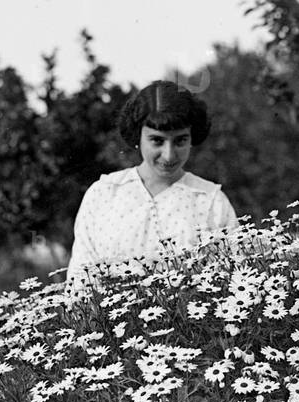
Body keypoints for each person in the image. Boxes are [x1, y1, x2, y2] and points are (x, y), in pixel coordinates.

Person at [66, 80, 239, 294]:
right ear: (138, 136)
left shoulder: (210, 200)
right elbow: (79, 283)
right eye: (157, 141)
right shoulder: (104, 194)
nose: (169, 155)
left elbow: (232, 280)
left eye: (180, 141)